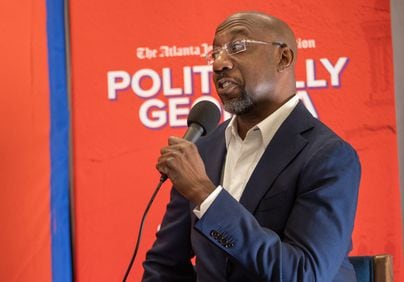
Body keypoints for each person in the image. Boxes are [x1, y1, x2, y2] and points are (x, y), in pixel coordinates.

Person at [142, 11, 360, 281]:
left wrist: (204, 193)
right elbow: (165, 265)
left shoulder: (329, 156)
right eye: (214, 53)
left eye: (237, 47)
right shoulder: (202, 150)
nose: (219, 63)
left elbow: (305, 273)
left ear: (284, 57)